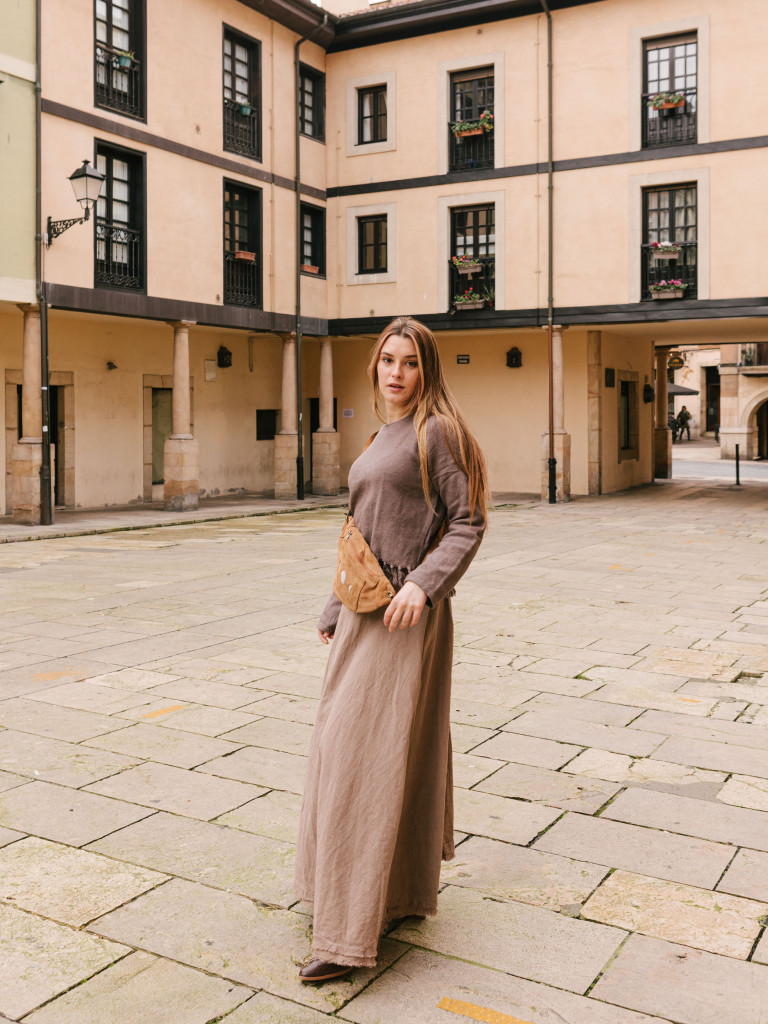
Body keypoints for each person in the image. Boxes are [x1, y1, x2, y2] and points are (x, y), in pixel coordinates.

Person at [294, 315, 488, 983]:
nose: (396, 373)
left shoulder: (440, 432)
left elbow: (468, 522)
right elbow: (359, 526)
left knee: (364, 761)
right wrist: (334, 604)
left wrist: (425, 587)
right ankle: (389, 895)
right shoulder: (383, 435)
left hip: (404, 619)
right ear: (375, 364)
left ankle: (347, 935)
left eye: (410, 362)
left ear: (426, 370)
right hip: (362, 612)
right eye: (387, 360)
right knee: (348, 751)